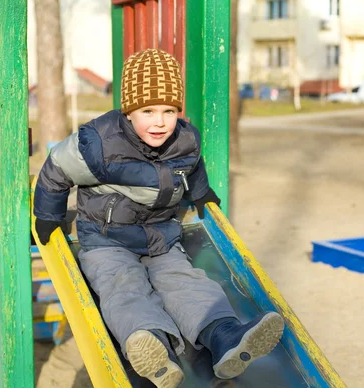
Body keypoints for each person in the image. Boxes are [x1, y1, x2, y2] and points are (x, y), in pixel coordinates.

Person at [33, 49, 284, 388]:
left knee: (188, 283)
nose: (160, 121)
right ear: (129, 110)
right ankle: (151, 347)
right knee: (123, 288)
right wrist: (50, 215)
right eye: (148, 111)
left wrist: (201, 193)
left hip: (162, 239)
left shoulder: (185, 138)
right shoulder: (98, 142)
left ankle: (225, 338)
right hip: (107, 240)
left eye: (168, 111)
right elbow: (56, 168)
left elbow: (192, 166)